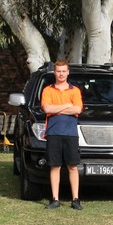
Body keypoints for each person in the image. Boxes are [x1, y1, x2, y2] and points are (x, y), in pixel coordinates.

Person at [41, 59, 84, 210]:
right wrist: (67, 105)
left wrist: (56, 109)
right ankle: (55, 199)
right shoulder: (48, 90)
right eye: (58, 71)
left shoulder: (75, 90)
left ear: (68, 72)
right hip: (53, 133)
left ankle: (75, 199)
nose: (61, 74)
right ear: (54, 72)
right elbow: (47, 109)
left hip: (70, 134)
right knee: (55, 166)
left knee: (72, 166)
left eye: (64, 71)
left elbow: (77, 110)